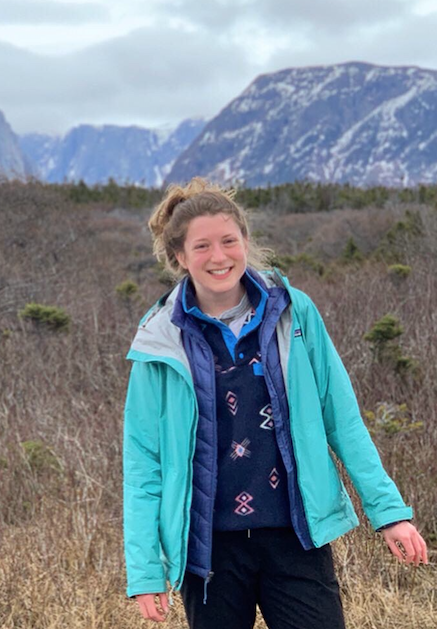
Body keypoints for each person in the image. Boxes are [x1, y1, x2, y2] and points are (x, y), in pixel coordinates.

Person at [122, 178, 428, 628]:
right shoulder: (159, 341)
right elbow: (143, 463)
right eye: (202, 246)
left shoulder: (294, 312)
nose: (219, 256)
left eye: (229, 241)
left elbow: (341, 418)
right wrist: (147, 570)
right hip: (209, 551)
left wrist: (389, 514)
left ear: (246, 242)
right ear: (180, 258)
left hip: (296, 536)